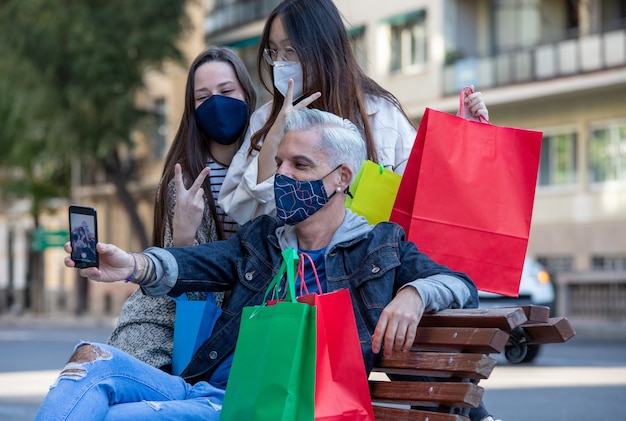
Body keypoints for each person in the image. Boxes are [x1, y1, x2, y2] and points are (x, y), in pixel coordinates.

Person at [37, 108, 479, 420]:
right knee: (89, 360)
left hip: (262, 407)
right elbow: (200, 262)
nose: (282, 175)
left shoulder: (379, 246)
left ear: (343, 178)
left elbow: (461, 284)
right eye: (281, 162)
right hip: (205, 387)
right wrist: (132, 264)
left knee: (117, 417)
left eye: (300, 165)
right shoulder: (262, 239)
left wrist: (413, 293)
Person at [218, 0, 489, 225]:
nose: (279, 63)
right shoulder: (266, 120)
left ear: (324, 48)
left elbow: (426, 196)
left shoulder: (380, 113)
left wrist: (465, 137)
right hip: (295, 277)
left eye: (290, 50)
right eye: (273, 52)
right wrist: (277, 135)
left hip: (373, 278)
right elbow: (244, 211)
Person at [107, 46, 257, 370]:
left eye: (226, 90)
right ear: (192, 108)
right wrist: (183, 235)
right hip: (185, 317)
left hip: (254, 317)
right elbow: (173, 274)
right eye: (202, 97)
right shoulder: (182, 176)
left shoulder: (274, 164)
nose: (216, 102)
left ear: (247, 93)